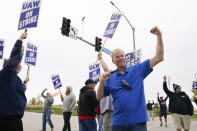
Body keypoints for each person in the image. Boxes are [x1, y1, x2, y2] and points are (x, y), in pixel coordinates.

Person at [97, 26, 164, 131]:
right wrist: (101, 82)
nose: (120, 58)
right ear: (113, 61)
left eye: (122, 55)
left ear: (125, 57)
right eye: (117, 57)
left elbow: (159, 57)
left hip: (138, 123)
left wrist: (159, 36)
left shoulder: (137, 69)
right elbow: (99, 97)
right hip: (118, 123)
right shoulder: (110, 77)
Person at [0, 32, 30, 131]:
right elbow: (14, 59)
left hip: (16, 121)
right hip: (7, 121)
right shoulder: (6, 74)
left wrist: (26, 82)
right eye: (18, 64)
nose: (20, 66)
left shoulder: (15, 79)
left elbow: (22, 89)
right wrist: (20, 39)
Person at [98, 52, 113, 131]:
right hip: (103, 111)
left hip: (109, 109)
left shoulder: (111, 79)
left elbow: (105, 68)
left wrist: (100, 59)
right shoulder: (103, 83)